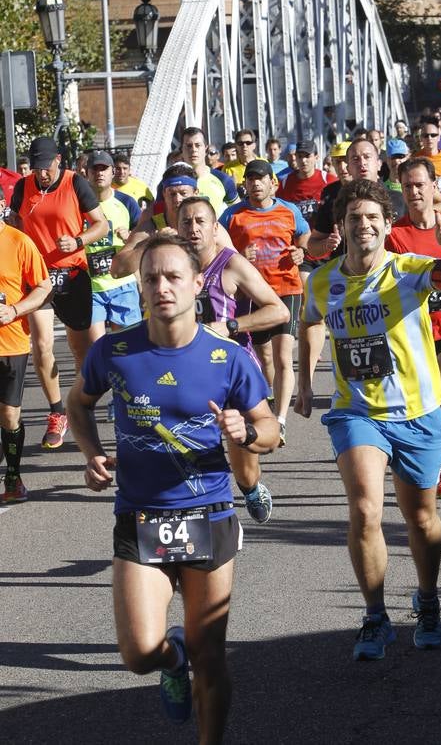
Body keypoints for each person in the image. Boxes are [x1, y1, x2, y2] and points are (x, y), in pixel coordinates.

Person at [67, 235, 279, 738]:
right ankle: (171, 656)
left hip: (209, 513)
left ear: (197, 283)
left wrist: (246, 433)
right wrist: (91, 453)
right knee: (140, 653)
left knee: (212, 657)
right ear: (140, 288)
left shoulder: (227, 357)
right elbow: (78, 403)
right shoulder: (114, 351)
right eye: (151, 278)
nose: (162, 287)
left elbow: (270, 429)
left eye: (173, 277)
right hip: (141, 515)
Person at [295, 179, 441, 660]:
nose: (364, 225)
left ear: (386, 224)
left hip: (418, 413)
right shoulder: (322, 280)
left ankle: (428, 599)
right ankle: (375, 616)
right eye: (354, 217)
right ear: (342, 225)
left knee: (421, 518)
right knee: (365, 510)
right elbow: (309, 320)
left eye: (373, 217)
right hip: (357, 411)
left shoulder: (410, 270)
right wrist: (304, 381)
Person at [177, 194, 289, 522]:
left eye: (200, 222)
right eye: (186, 222)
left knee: (244, 467)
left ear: (215, 228)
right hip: (185, 371)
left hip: (231, 372)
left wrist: (230, 326)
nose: (193, 228)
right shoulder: (173, 267)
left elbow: (279, 311)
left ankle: (250, 488)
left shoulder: (232, 265)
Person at [10, 136, 109, 449]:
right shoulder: (23, 187)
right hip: (38, 276)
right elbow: (15, 225)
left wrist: (78, 241)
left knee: (81, 350)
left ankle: (80, 405)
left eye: (46, 167)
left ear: (58, 160)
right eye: (36, 167)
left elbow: (101, 225)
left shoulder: (75, 183)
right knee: (41, 344)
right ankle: (57, 413)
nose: (42, 174)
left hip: (72, 274)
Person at [387, 158, 441, 499]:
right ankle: (428, 461)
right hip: (412, 331)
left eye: (420, 184)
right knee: (421, 400)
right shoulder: (395, 235)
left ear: (434, 185)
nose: (414, 192)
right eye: (407, 186)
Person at [220, 160, 310, 446]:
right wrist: (238, 254)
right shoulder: (232, 215)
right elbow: (218, 247)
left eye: (261, 178)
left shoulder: (289, 210)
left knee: (283, 356)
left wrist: (301, 250)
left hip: (287, 288)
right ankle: (270, 397)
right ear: (244, 184)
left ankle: (280, 421)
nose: (256, 183)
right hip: (253, 294)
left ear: (273, 183)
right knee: (265, 357)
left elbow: (304, 233)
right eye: (250, 179)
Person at [0, 186, 52, 502]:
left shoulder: (19, 242)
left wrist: (15, 310)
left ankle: (13, 477)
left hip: (11, 344)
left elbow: (43, 286)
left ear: (2, 205)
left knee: (9, 416)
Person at [85, 151, 142, 344]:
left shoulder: (127, 202)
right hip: (91, 287)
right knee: (97, 347)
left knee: (127, 347)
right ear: (87, 173)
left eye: (104, 168)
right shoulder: (78, 204)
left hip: (122, 284)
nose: (99, 173)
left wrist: (130, 237)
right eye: (95, 169)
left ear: (112, 172)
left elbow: (144, 239)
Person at [416, 116, 441, 205]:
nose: (429, 138)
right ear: (421, 138)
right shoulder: (415, 159)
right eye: (426, 135)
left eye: (433, 135)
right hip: (425, 206)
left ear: (439, 137)